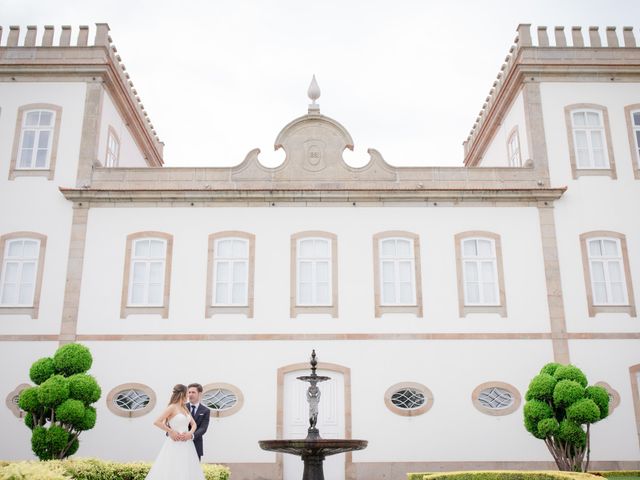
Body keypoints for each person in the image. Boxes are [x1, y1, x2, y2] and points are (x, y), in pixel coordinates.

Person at [145, 384, 205, 480]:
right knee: (174, 468)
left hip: (187, 444)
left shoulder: (184, 408)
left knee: (187, 468)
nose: (188, 395)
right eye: (187, 393)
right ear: (182, 394)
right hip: (174, 443)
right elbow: (157, 422)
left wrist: (190, 433)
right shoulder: (172, 407)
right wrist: (171, 431)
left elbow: (194, 424)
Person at [186, 383, 210, 461]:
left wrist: (191, 435)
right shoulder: (181, 407)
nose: (190, 395)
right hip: (180, 443)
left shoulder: (205, 410)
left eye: (193, 392)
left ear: (199, 394)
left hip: (196, 444)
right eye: (189, 392)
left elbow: (203, 428)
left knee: (194, 471)